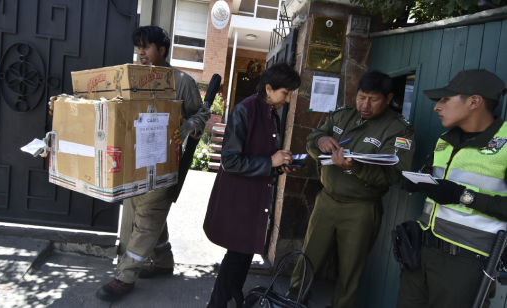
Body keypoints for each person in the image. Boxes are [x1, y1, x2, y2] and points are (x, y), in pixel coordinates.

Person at [95, 26, 211, 302]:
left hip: (162, 166)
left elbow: (202, 114)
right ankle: (162, 262)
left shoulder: (182, 81)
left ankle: (125, 276)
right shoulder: (130, 78)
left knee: (146, 221)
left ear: (162, 50)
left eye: (146, 47)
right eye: (138, 48)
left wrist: (189, 127)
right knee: (138, 214)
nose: (141, 53)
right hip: (132, 163)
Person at [286, 71, 415, 307]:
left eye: (373, 99)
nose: (365, 105)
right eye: (361, 97)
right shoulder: (343, 116)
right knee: (307, 259)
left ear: (388, 99)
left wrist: (354, 168)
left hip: (361, 208)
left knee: (350, 270)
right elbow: (315, 136)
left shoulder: (398, 130)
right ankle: (292, 302)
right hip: (326, 201)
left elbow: (393, 174)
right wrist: (320, 142)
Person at [397, 69, 507, 308]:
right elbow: (431, 179)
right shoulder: (445, 140)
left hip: (467, 263)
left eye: (446, 99)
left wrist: (462, 196)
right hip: (420, 254)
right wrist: (416, 182)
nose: (437, 106)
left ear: (474, 101)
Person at [203, 63, 301, 308]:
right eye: (285, 93)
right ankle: (216, 304)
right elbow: (230, 160)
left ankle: (235, 296)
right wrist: (271, 161)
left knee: (245, 252)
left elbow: (263, 156)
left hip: (255, 195)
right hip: (239, 197)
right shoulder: (244, 110)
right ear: (269, 88)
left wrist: (279, 165)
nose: (287, 99)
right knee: (237, 254)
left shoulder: (271, 111)